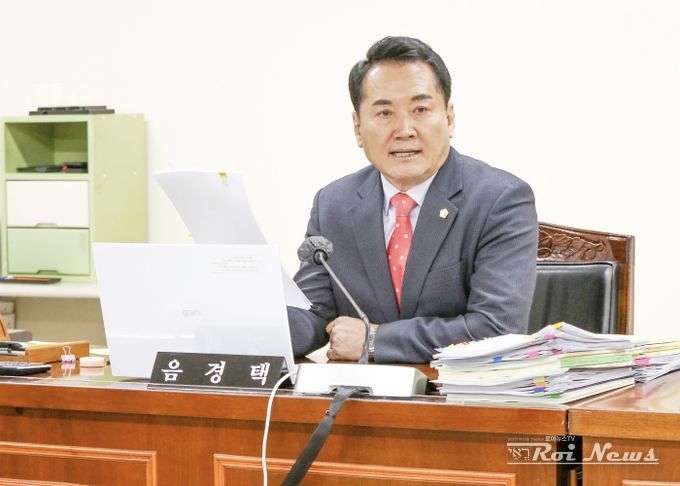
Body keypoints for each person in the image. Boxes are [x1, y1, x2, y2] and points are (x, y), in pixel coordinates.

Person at [287, 36, 538, 363]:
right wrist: (250, 316)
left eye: (420, 110)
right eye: (384, 113)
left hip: (455, 391)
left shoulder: (500, 200)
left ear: (449, 118)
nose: (404, 129)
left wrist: (375, 340)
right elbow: (312, 313)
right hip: (361, 393)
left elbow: (498, 327)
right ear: (358, 128)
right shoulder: (333, 204)